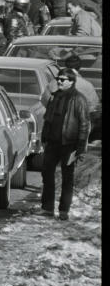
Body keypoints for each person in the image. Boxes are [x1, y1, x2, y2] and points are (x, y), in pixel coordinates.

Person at [40, 69, 91, 220]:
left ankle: (64, 211)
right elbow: (48, 118)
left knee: (67, 178)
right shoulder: (54, 97)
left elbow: (84, 124)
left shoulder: (78, 99)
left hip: (70, 144)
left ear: (71, 81)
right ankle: (47, 208)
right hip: (52, 143)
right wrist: (44, 136)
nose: (59, 81)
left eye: (63, 79)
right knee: (47, 174)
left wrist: (80, 147)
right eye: (58, 79)